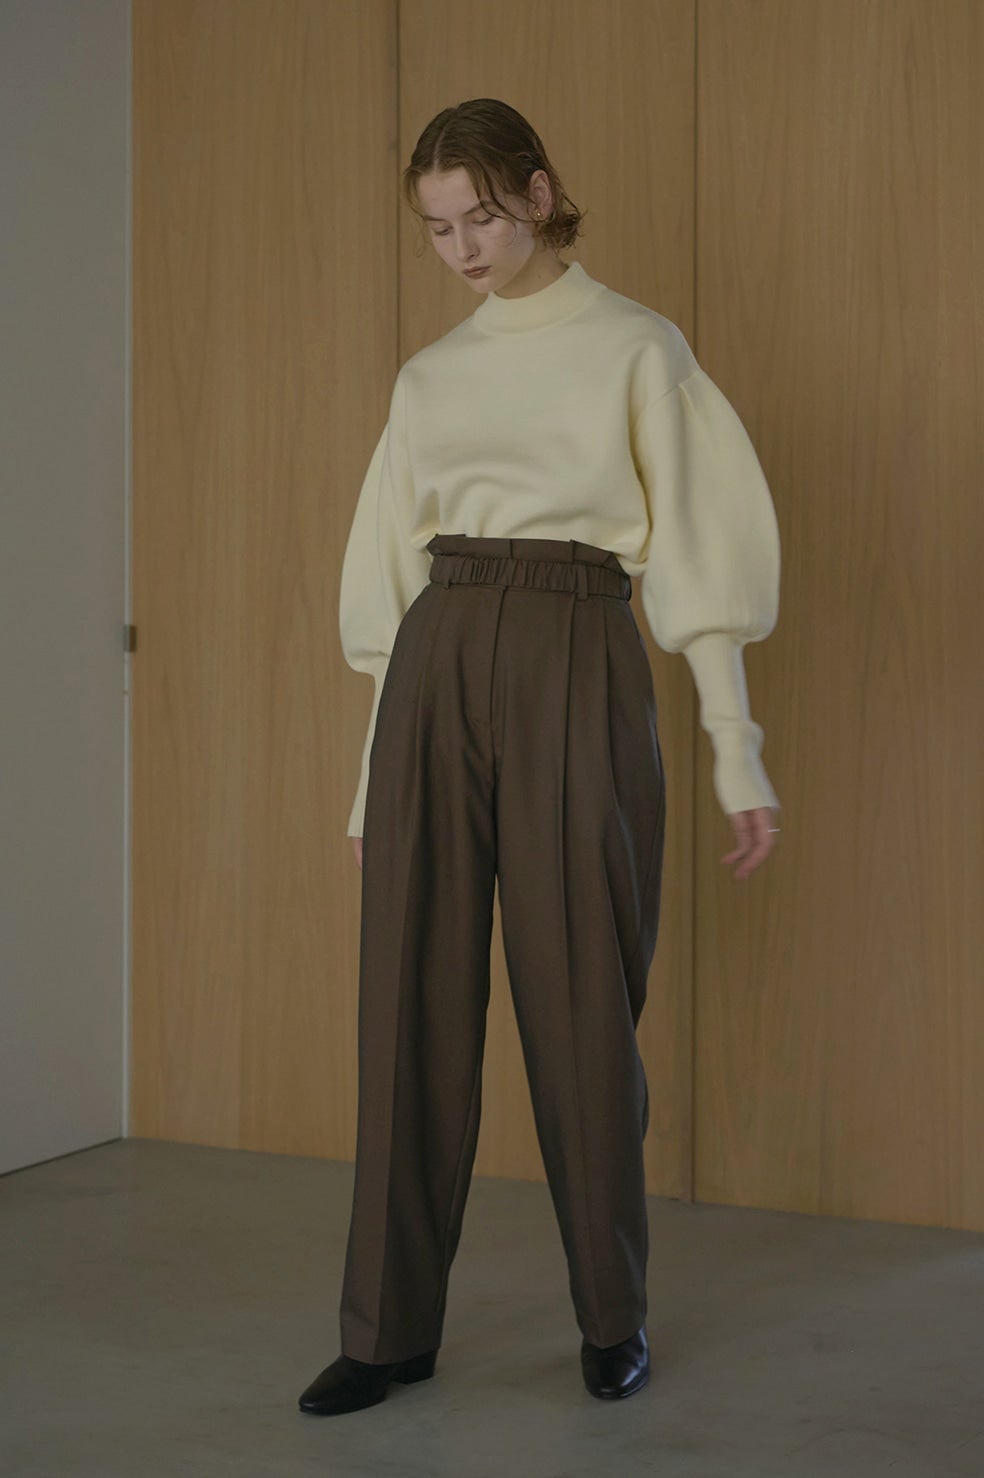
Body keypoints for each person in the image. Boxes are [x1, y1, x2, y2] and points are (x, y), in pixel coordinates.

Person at [299, 98, 782, 1418]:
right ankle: (387, 1330)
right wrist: (370, 785)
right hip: (438, 655)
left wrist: (735, 751)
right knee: (408, 1004)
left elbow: (699, 551)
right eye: (437, 228)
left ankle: (612, 1315)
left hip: (579, 642)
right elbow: (388, 585)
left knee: (582, 1010)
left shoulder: (637, 347)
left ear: (538, 191)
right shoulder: (429, 379)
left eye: (482, 216)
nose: (463, 248)